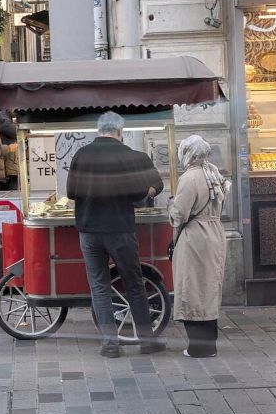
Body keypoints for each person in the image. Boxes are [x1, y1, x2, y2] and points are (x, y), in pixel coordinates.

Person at [67, 112, 165, 358]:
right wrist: (145, 193)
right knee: (134, 284)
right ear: (120, 131)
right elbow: (156, 184)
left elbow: (71, 193)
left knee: (99, 286)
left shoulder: (81, 155)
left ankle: (110, 344)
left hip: (89, 230)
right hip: (120, 229)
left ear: (98, 131)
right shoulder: (134, 156)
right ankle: (147, 341)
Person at [169, 135, 227, 358]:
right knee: (209, 288)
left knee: (192, 288)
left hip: (195, 237)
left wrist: (170, 206)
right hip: (214, 232)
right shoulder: (213, 172)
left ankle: (198, 347)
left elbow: (180, 214)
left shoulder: (190, 177)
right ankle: (209, 344)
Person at [0, 110, 19, 189]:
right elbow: (15, 131)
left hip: (6, 165)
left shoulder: (6, 118)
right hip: (5, 164)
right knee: (10, 193)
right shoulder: (1, 118)